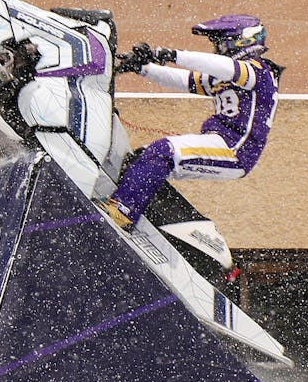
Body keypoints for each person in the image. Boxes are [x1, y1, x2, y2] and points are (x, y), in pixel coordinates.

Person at [103, 14, 282, 231]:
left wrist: (170, 54)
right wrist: (141, 68)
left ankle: (120, 216)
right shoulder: (226, 76)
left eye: (221, 43)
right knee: (142, 159)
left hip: (235, 151)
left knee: (163, 151)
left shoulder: (258, 71)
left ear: (242, 41)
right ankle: (137, 216)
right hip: (220, 142)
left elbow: (223, 66)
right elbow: (183, 80)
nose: (218, 49)